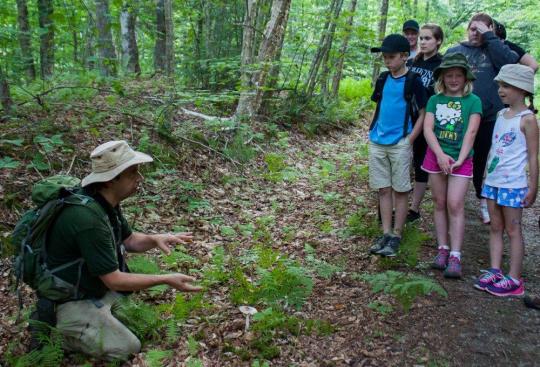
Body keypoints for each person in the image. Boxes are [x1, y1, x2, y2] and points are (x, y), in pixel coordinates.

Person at [38, 140, 202, 361]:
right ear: (111, 179)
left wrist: (156, 239)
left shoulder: (106, 203)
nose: (139, 178)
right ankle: (57, 333)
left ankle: (95, 319)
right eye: (133, 172)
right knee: (128, 347)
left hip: (92, 289)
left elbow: (130, 240)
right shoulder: (87, 218)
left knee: (142, 321)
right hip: (69, 300)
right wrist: (165, 279)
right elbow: (114, 280)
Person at [446, 13, 520, 224]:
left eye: (481, 30)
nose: (475, 33)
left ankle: (482, 199)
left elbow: (511, 63)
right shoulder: (455, 51)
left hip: (489, 117)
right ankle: (451, 200)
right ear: (467, 29)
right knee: (455, 154)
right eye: (472, 28)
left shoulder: (495, 51)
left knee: (483, 159)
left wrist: (490, 37)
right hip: (458, 116)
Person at [474, 64, 538, 296]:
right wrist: (484, 178)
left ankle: (514, 279)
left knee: (513, 230)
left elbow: (532, 156)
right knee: (495, 227)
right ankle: (495, 270)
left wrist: (533, 186)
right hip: (493, 181)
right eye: (500, 85)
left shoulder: (527, 119)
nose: (501, 90)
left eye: (507, 86)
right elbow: (494, 149)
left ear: (522, 89)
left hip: (513, 185)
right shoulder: (501, 115)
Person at [422, 53, 482, 278]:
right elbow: (428, 129)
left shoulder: (473, 101)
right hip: (436, 156)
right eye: (449, 75)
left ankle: (456, 255)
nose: (454, 79)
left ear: (466, 78)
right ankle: (442, 249)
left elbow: (471, 132)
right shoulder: (434, 100)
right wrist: (439, 155)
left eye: (458, 75)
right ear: (442, 77)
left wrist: (460, 159)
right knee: (439, 202)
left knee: (454, 204)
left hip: (461, 158)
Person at [368, 34, 428, 257]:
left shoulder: (414, 80)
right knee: (383, 189)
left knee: (401, 190)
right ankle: (385, 233)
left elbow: (423, 113)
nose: (387, 61)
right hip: (377, 141)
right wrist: (371, 131)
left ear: (404, 56)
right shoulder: (383, 78)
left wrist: (410, 139)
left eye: (391, 57)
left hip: (400, 142)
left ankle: (396, 235)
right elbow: (379, 106)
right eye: (384, 57)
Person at [407, 23, 444, 222]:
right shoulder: (414, 62)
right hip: (409, 117)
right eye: (421, 38)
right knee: (407, 159)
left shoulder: (442, 65)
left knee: (421, 162)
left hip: (429, 119)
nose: (422, 41)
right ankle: (402, 202)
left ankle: (414, 209)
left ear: (438, 41)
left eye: (427, 38)